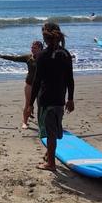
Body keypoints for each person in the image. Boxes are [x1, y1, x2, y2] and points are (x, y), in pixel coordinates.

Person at [28, 22, 74, 171]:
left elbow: (36, 81)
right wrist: (70, 98)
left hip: (46, 100)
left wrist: (30, 103)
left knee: (50, 133)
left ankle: (51, 164)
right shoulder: (65, 54)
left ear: (45, 38)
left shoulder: (42, 56)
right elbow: (70, 79)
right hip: (60, 98)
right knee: (54, 129)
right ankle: (49, 155)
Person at [0, 40, 43, 129]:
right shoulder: (28, 57)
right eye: (32, 48)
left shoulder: (45, 57)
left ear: (41, 49)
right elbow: (15, 58)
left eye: (35, 48)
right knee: (28, 104)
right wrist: (2, 56)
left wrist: (69, 57)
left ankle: (42, 124)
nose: (33, 49)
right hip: (29, 84)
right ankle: (25, 122)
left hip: (41, 85)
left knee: (41, 104)